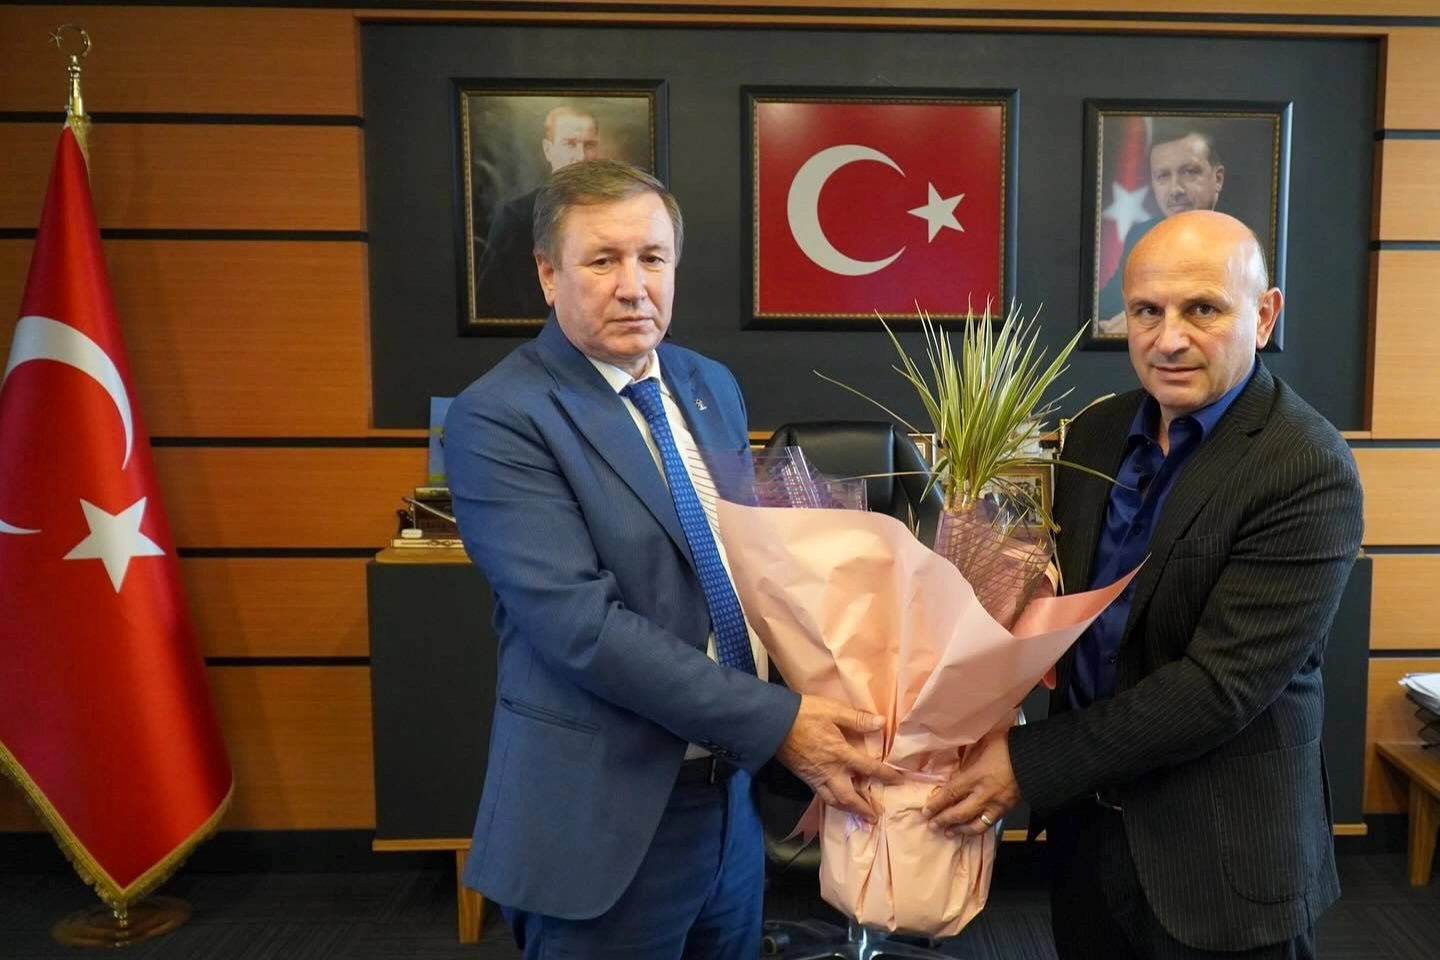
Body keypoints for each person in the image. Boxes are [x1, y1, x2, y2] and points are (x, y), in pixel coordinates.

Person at [445, 159, 900, 960]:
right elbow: (583, 629)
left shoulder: (706, 384)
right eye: (602, 260)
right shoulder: (500, 416)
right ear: (548, 274)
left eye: (652, 258)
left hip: (728, 804)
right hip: (603, 821)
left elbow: (746, 564)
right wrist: (779, 723)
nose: (633, 287)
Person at [923, 210, 1363, 960]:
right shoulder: (1097, 433)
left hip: (1220, 861)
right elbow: (1061, 612)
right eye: (1146, 311)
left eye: (1203, 309)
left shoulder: (1304, 466)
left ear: (1264, 316)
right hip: (1087, 840)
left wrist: (1025, 761)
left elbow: (1219, 689)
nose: (1168, 339)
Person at [472, 105, 603, 319]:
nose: (580, 156)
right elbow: (490, 303)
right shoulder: (515, 218)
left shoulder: (616, 215)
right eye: (569, 144)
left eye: (589, 145)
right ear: (548, 150)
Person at [1096, 125, 1227, 332]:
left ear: (1218, 179)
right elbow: (1103, 309)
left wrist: (1141, 320)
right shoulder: (1142, 236)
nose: (1175, 189)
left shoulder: (1243, 243)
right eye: (1163, 176)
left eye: (1189, 172)